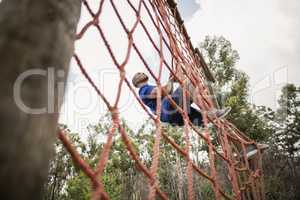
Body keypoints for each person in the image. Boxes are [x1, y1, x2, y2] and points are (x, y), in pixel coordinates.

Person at [132, 72, 231, 127]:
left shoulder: (148, 89)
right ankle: (212, 110)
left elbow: (166, 93)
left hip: (172, 115)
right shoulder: (143, 90)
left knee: (201, 117)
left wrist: (171, 82)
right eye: (139, 74)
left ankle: (213, 115)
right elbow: (161, 92)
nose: (142, 73)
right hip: (168, 111)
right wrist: (171, 81)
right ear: (136, 82)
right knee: (189, 82)